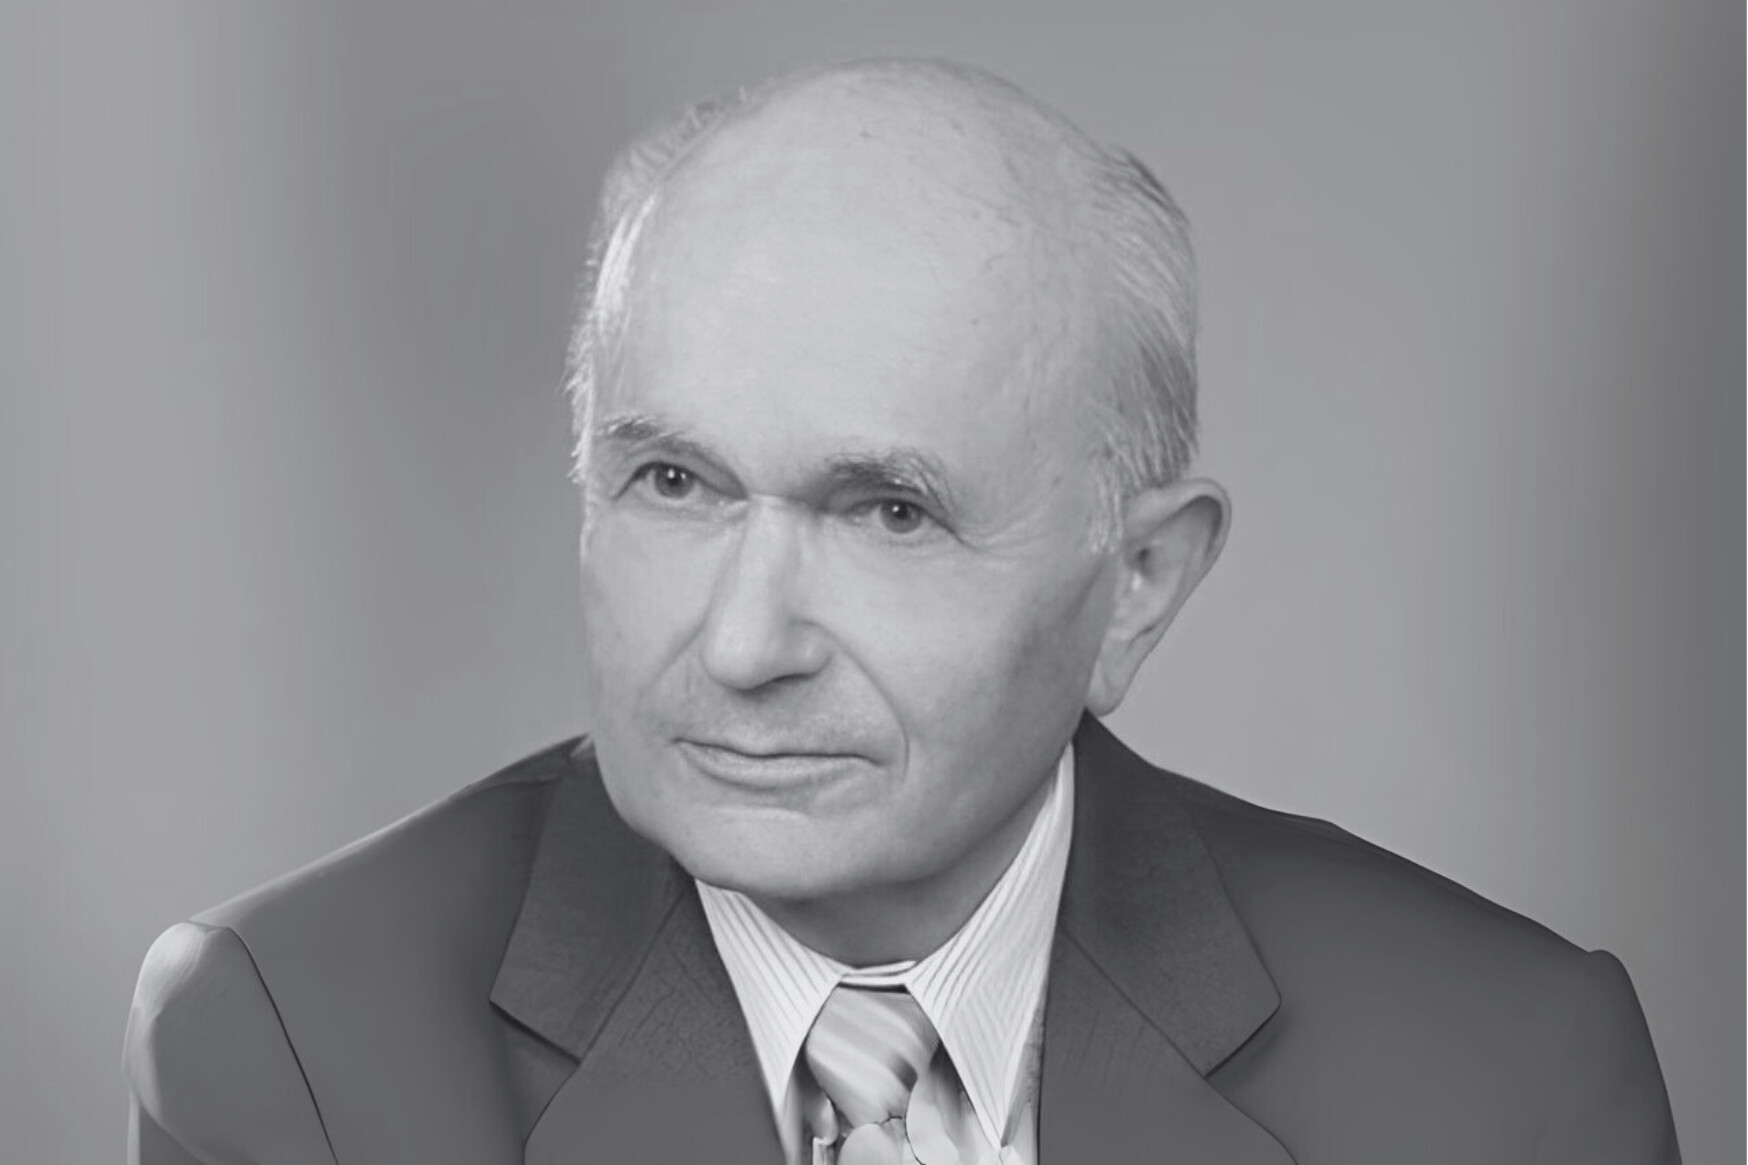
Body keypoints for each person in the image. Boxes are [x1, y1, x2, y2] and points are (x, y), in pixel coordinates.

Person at [122, 58, 1680, 1165]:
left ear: (1138, 584)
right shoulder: (295, 1041)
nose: (745, 646)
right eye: (674, 482)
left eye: (888, 513)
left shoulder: (1504, 1073)